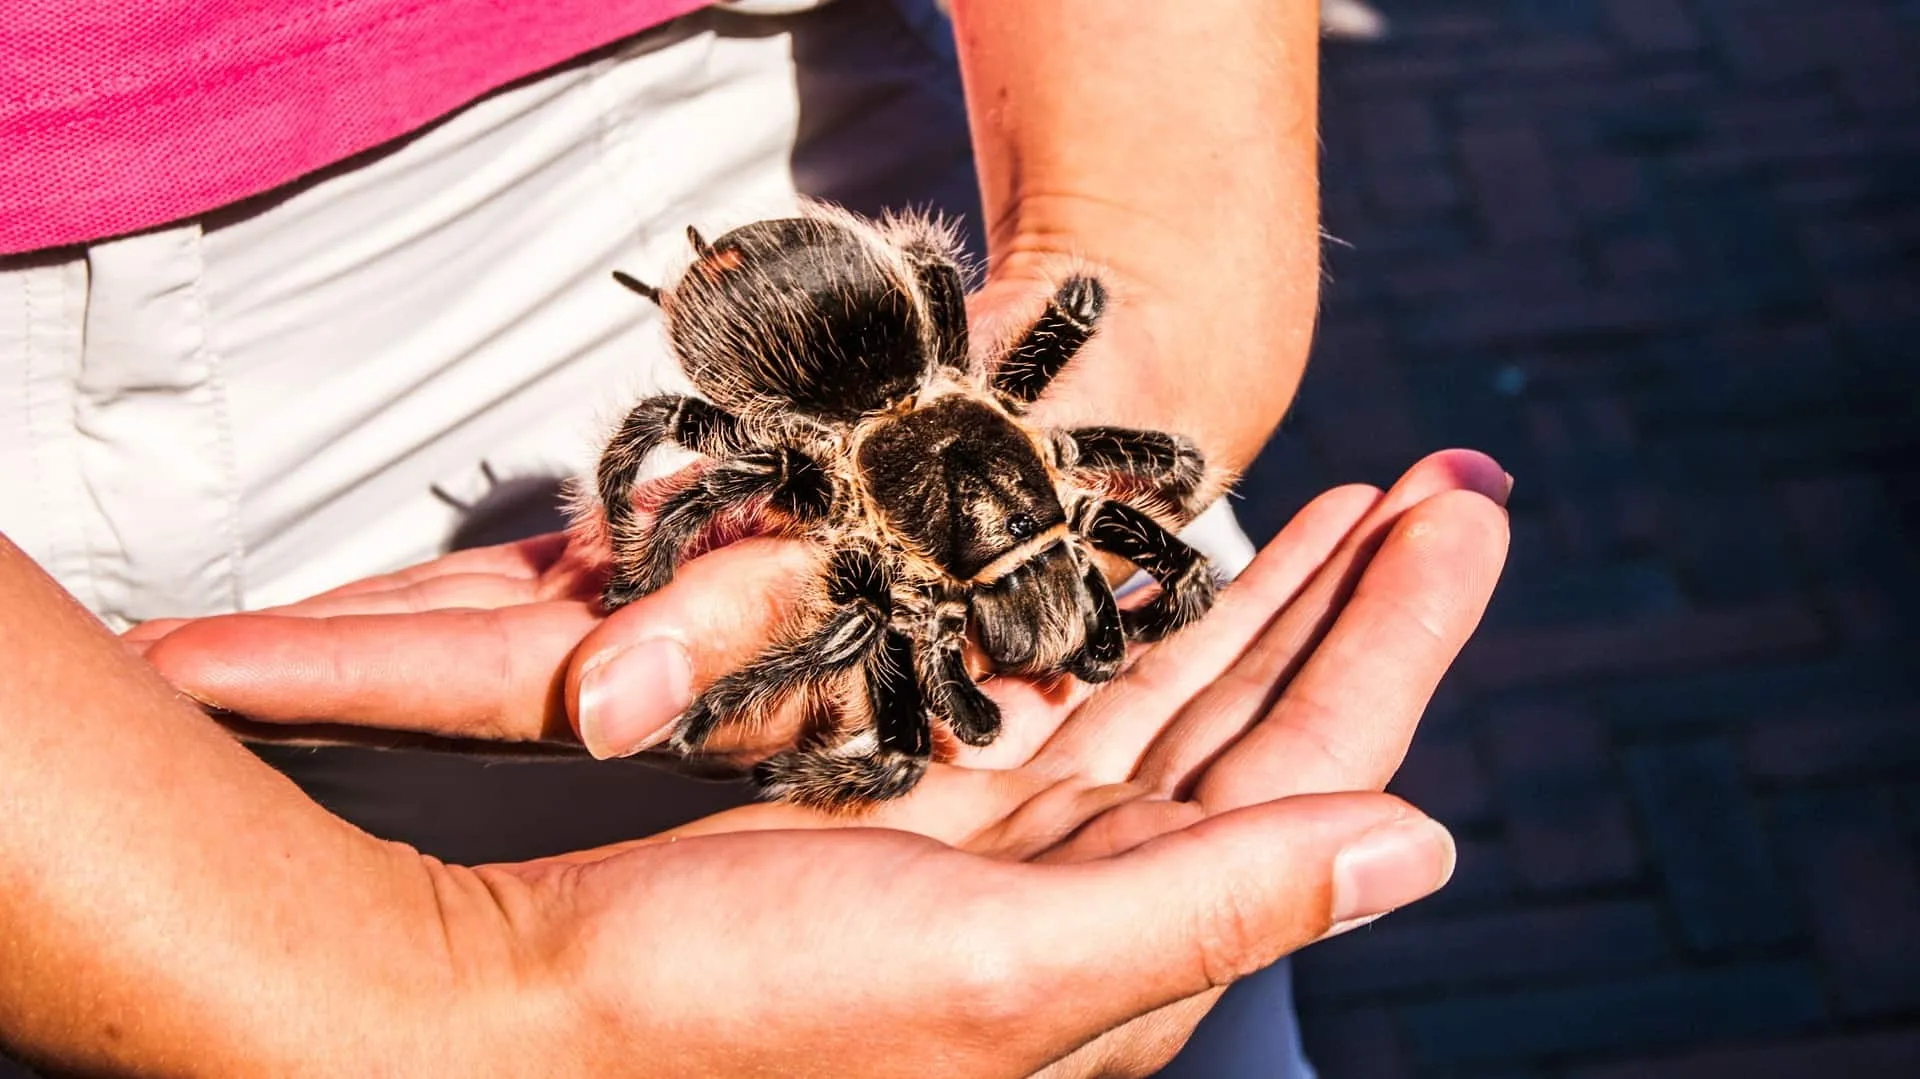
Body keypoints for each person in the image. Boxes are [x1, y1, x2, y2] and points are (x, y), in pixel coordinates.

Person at [0, 0, 1510, 1074]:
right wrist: (649, 572)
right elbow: (746, 489)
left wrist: (1151, 247)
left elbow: (1067, 310)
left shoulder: (1017, 408)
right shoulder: (813, 487)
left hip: (717, 87)